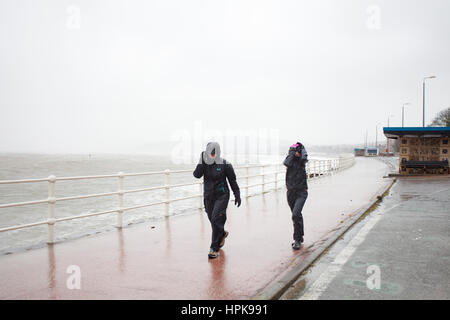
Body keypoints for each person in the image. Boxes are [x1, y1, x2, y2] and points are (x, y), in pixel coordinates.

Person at [193, 142, 241, 259]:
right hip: (209, 196)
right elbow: (196, 175)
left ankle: (214, 249)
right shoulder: (204, 163)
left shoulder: (225, 164)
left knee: (216, 218)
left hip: (222, 195)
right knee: (212, 219)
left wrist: (237, 194)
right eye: (210, 153)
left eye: (215, 153)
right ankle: (222, 233)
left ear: (218, 152)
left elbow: (232, 181)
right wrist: (201, 160)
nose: (212, 155)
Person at [283, 142, 308, 250]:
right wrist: (293, 153)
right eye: (294, 151)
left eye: (298, 151)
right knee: (297, 216)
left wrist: (301, 151)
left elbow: (304, 158)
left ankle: (296, 239)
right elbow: (286, 162)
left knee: (295, 214)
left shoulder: (302, 162)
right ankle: (300, 235)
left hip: (301, 192)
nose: (297, 153)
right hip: (290, 192)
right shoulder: (290, 161)